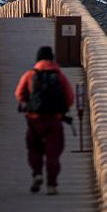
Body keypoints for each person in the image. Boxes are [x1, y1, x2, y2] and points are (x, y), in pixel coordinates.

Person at [15, 45, 74, 194]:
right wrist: (62, 110)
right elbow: (69, 97)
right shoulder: (59, 75)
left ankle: (37, 174)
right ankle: (52, 185)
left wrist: (28, 104)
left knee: (34, 148)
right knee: (53, 153)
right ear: (52, 58)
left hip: (34, 119)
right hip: (54, 120)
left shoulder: (30, 75)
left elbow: (19, 94)